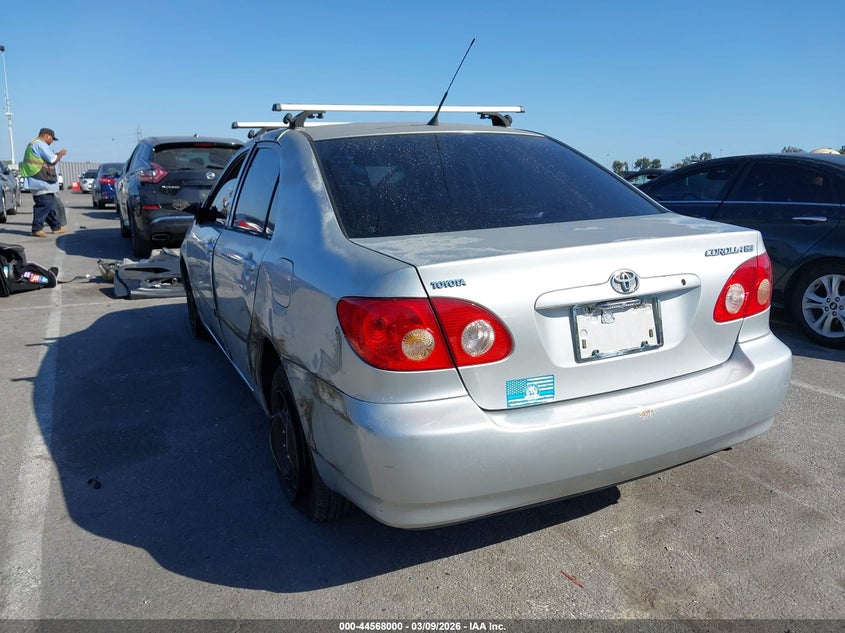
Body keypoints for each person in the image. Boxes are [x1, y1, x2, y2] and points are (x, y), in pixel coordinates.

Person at [19, 127, 68, 237]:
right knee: (43, 205)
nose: (51, 141)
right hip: (41, 180)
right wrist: (61, 154)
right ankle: (37, 229)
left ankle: (56, 227)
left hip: (38, 179)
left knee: (48, 206)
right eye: (51, 139)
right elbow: (52, 160)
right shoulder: (40, 144)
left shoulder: (33, 144)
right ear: (46, 136)